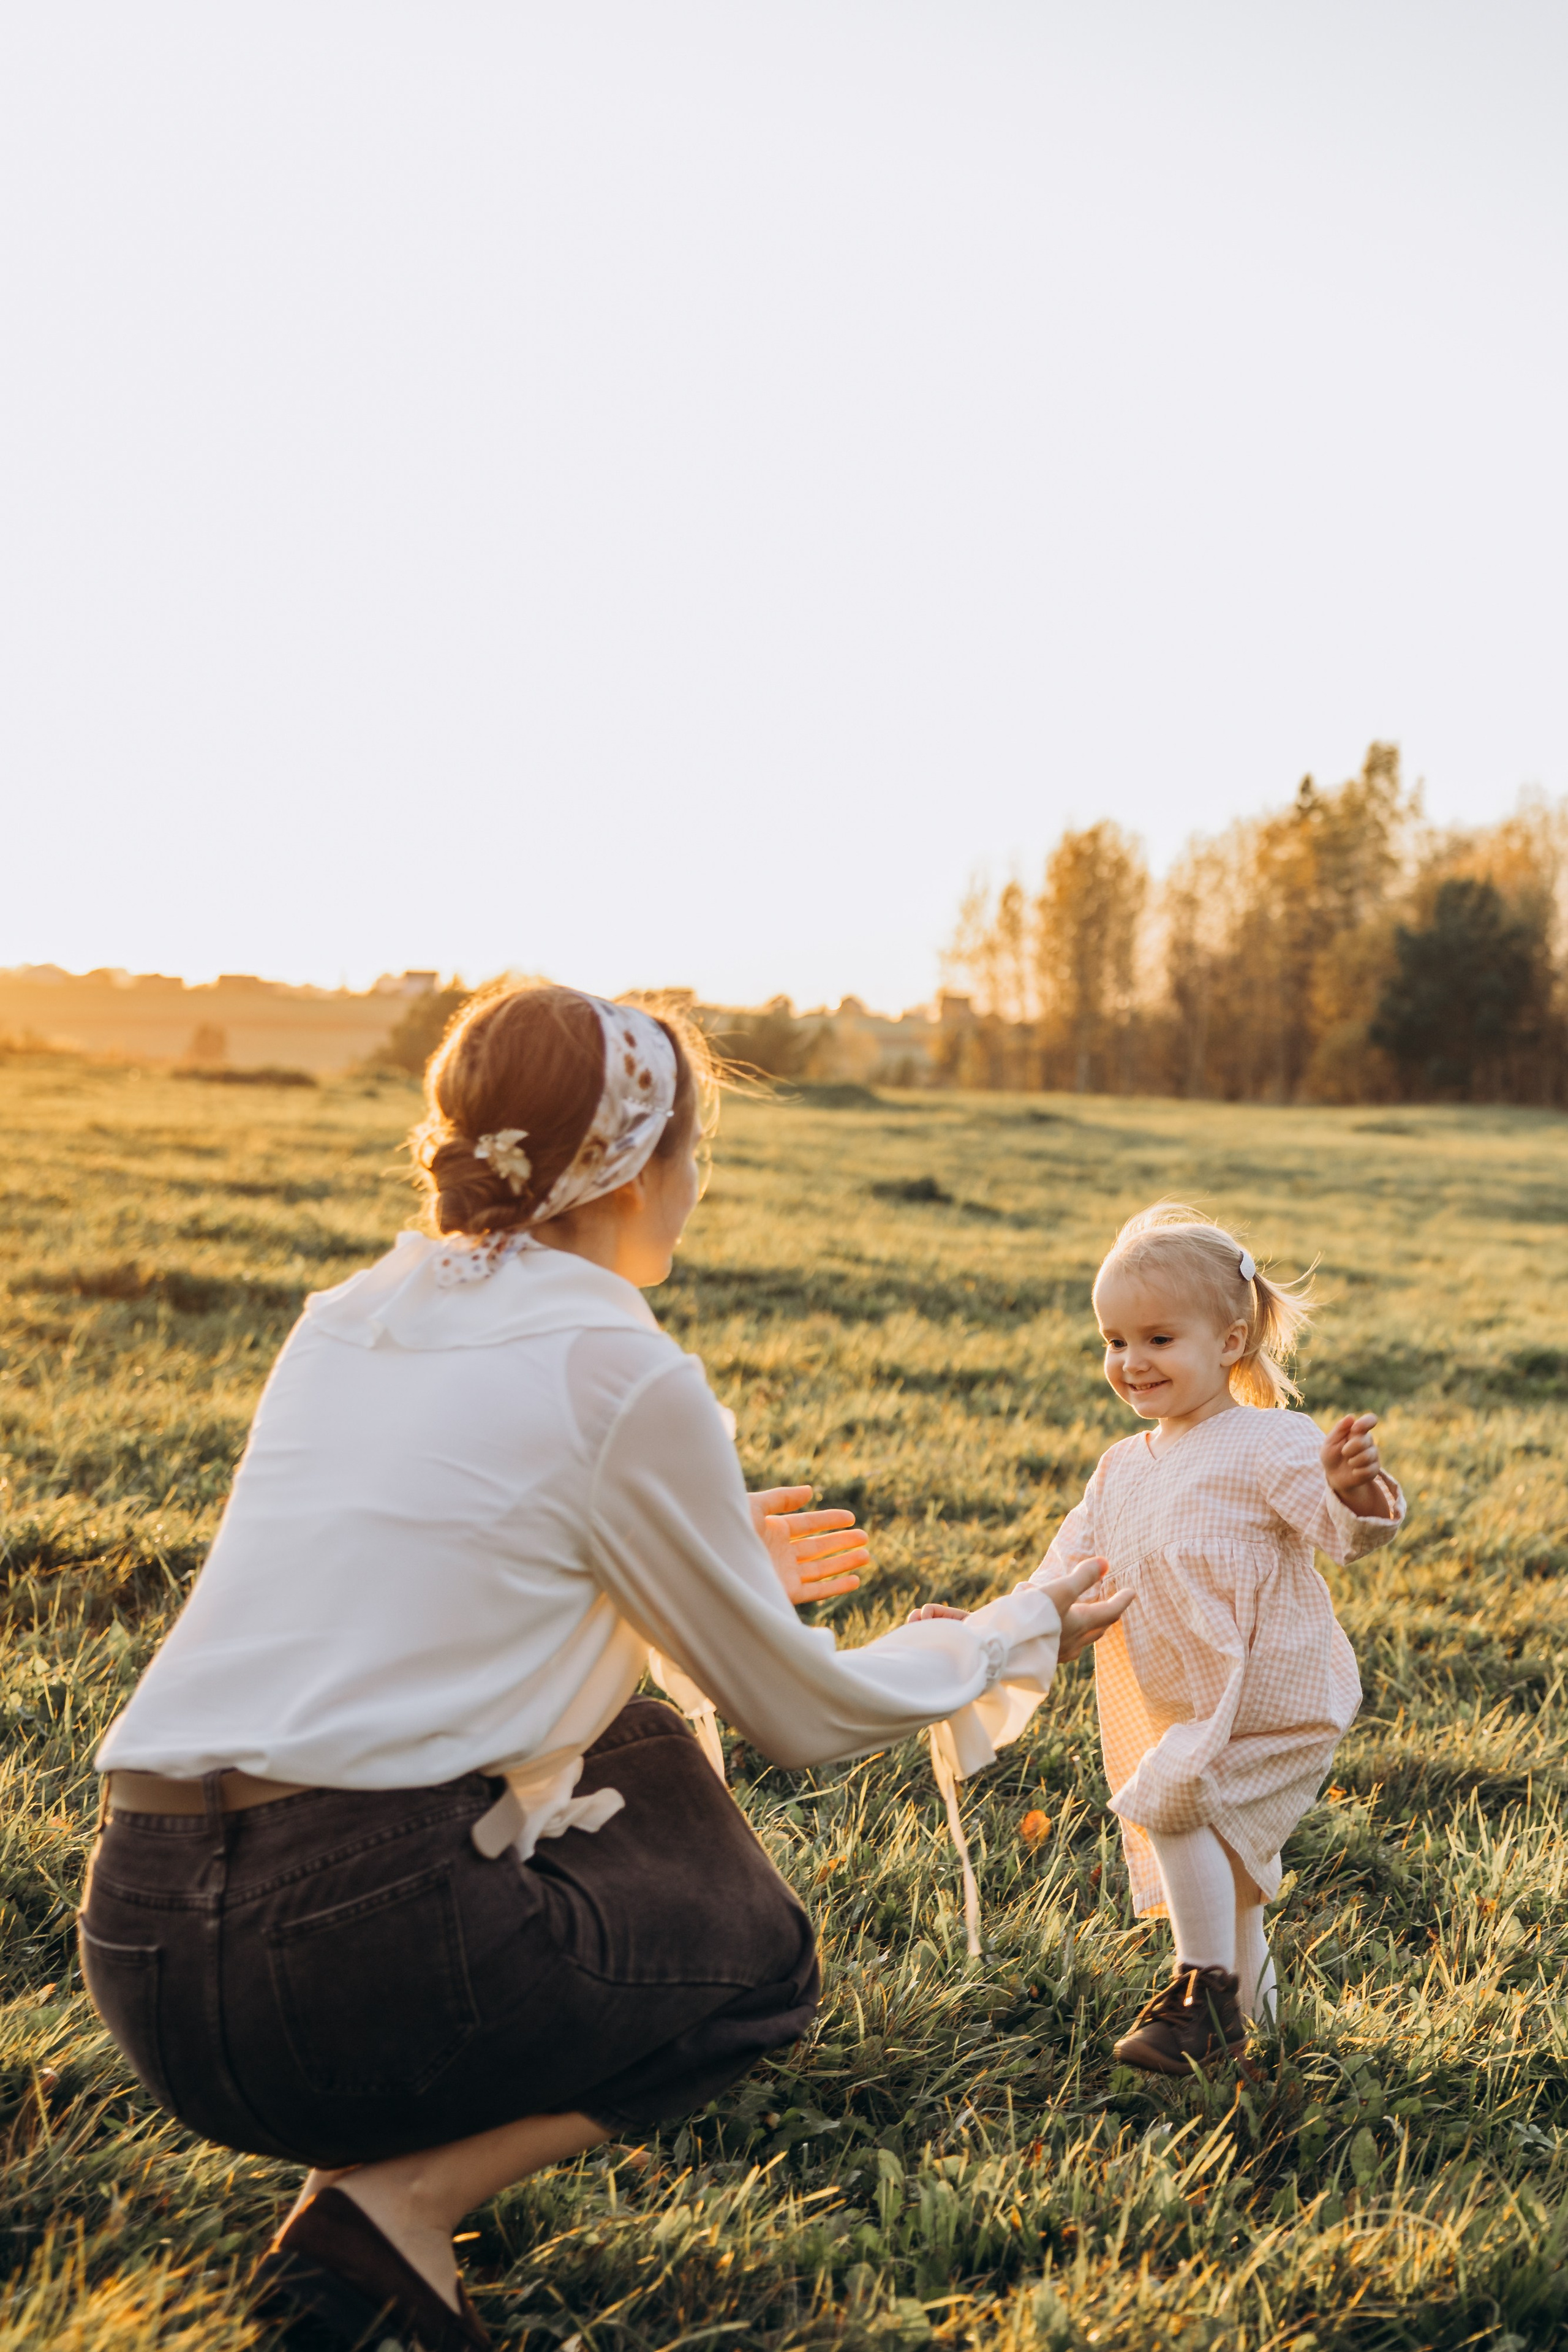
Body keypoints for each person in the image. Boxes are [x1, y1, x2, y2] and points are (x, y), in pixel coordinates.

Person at [79, 982, 1129, 2352]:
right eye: (697, 1152)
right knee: (758, 1963)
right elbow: (802, 1717)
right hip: (352, 1956)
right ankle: (392, 2203)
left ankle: (382, 2234)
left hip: (144, 1945)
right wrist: (1011, 1625)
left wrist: (696, 1550)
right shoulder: (617, 1370)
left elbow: (421, 1563)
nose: (700, 1187)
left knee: (625, 1746)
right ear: (634, 1166)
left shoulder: (345, 1316)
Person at [1033, 1201, 1405, 2073]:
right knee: (1233, 1884)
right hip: (1189, 1703)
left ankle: (1203, 2002)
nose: (1131, 1362)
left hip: (1275, 1699)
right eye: (1114, 1341)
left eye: (1159, 1339)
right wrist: (996, 1623)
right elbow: (1068, 1565)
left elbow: (1338, 1529)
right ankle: (1260, 2040)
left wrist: (1353, 1490)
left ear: (1231, 1342)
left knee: (1171, 1799)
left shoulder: (1265, 1439)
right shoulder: (1123, 1467)